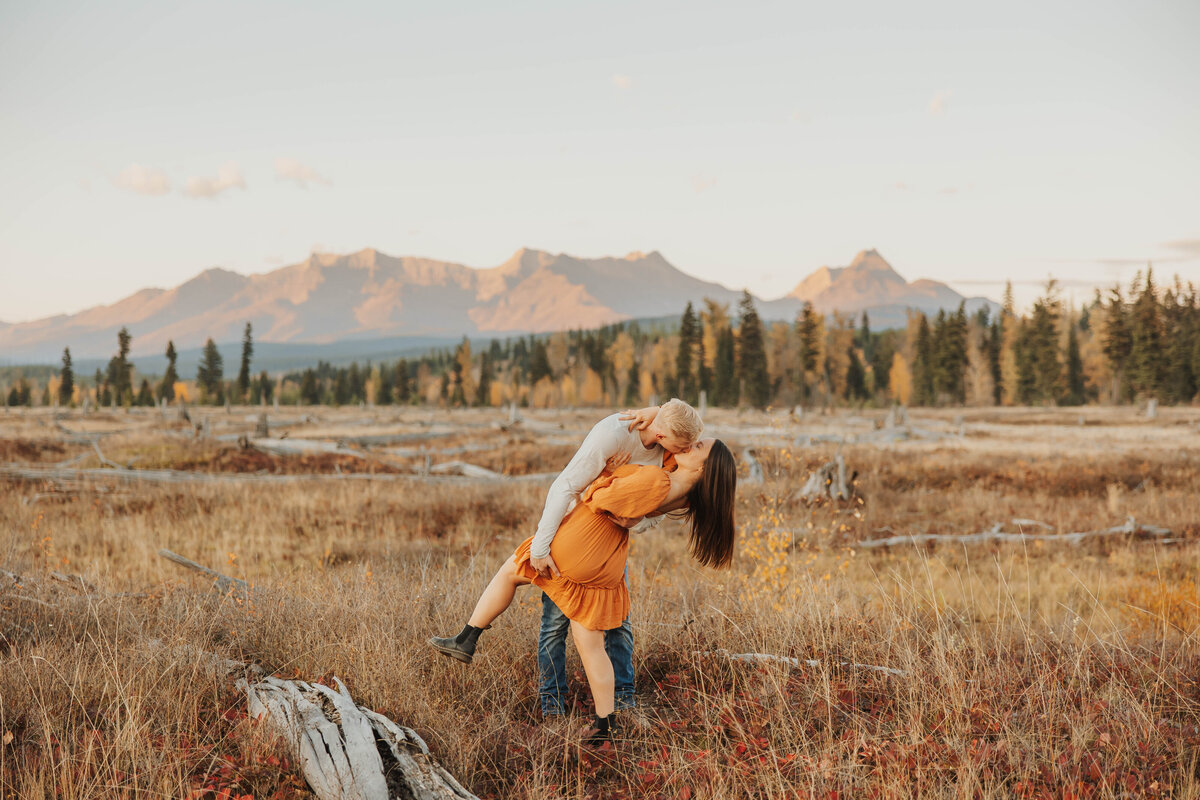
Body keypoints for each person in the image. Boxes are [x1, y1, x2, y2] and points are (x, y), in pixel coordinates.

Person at [429, 435, 737, 745]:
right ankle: (607, 725)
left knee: (512, 569)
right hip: (604, 558)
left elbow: (601, 498)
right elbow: (633, 507)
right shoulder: (683, 495)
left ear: (705, 469)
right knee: (590, 645)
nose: (690, 444)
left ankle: (468, 638)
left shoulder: (658, 482)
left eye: (699, 447)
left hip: (581, 545)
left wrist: (599, 481)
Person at [530, 401, 702, 718]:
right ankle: (552, 703)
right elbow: (566, 485)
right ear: (663, 433)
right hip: (571, 539)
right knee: (555, 625)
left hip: (610, 550)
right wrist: (541, 547)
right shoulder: (614, 433)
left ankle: (623, 699)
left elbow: (660, 506)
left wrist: (640, 522)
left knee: (619, 624)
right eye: (685, 444)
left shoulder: (674, 452)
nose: (690, 449)